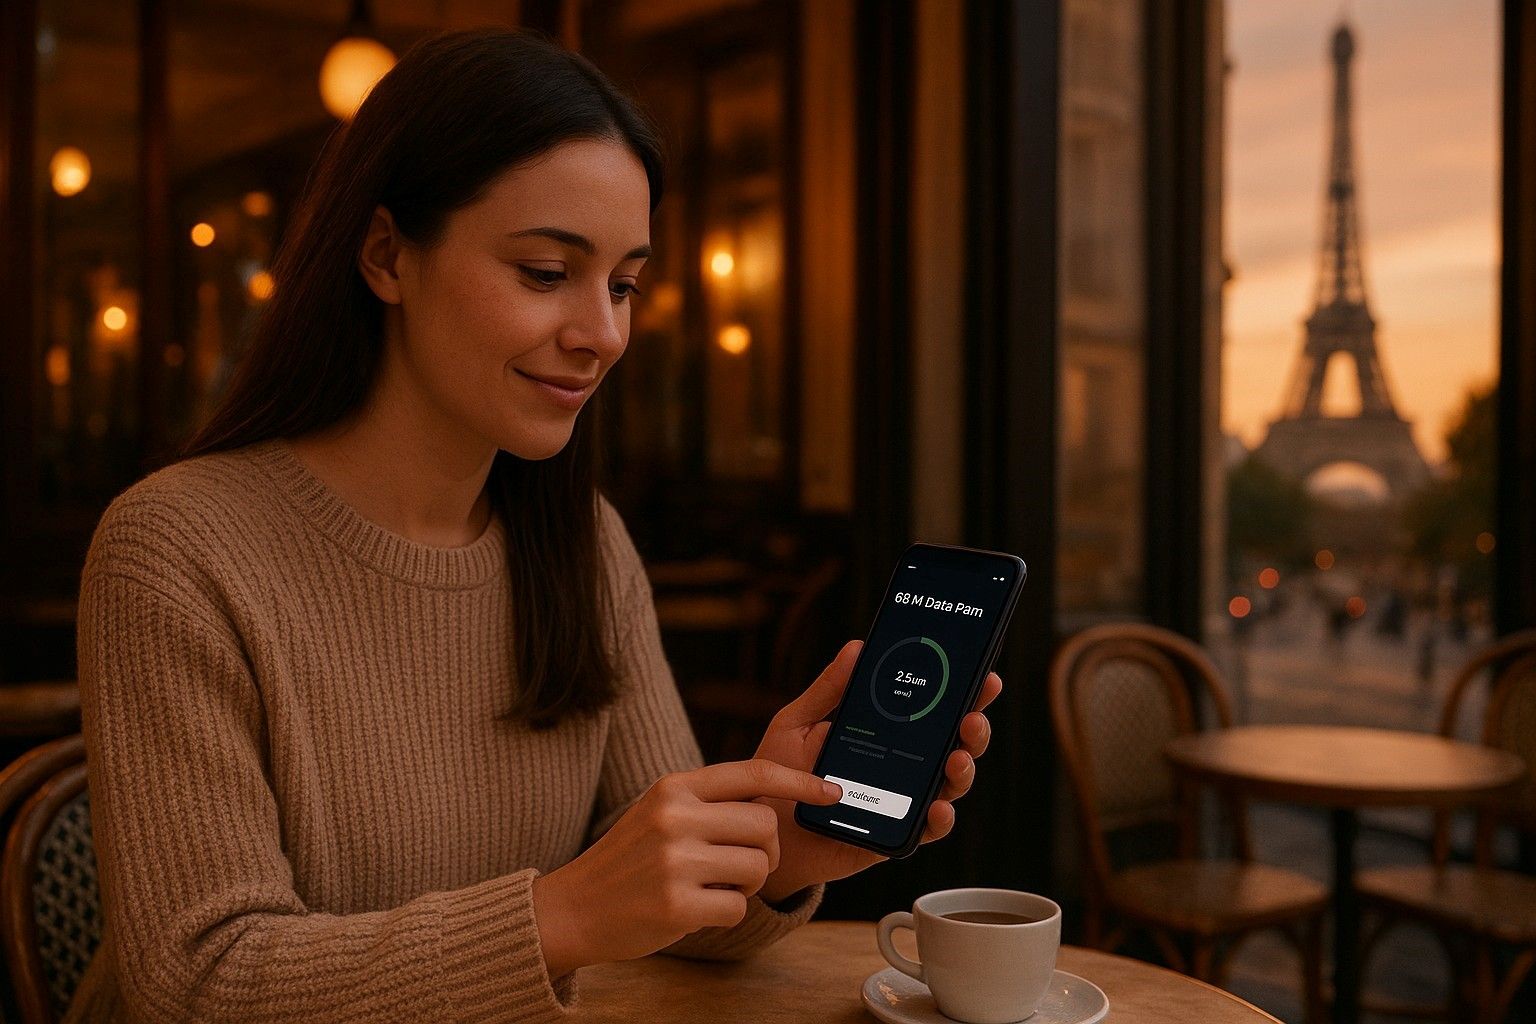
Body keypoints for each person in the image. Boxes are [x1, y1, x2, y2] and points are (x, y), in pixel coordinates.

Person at [67, 28, 999, 1023]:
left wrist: (770, 847)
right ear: (386, 255)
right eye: (548, 272)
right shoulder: (176, 547)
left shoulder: (583, 546)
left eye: (624, 284)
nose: (601, 332)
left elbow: (657, 921)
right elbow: (200, 979)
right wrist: (557, 915)